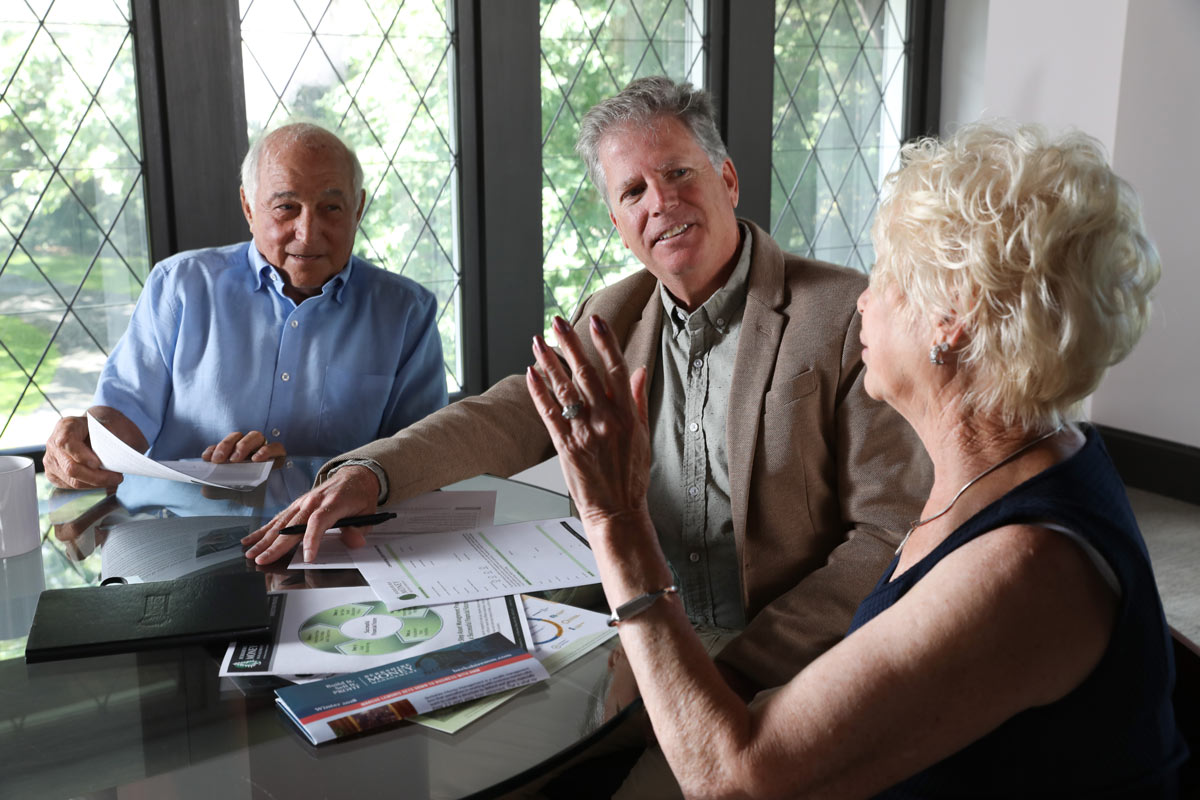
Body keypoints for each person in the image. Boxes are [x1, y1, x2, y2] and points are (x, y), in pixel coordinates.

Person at [525, 120, 1187, 797]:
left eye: (889, 277)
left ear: (950, 318)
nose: (863, 299)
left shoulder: (1028, 570)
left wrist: (616, 517)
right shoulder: (1024, 457)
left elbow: (734, 780)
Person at [244, 77, 930, 693]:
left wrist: (738, 669)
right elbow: (508, 414)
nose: (660, 203)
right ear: (617, 222)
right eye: (633, 191)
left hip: (784, 663)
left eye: (678, 174)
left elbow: (888, 535)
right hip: (624, 638)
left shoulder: (847, 314)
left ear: (727, 180)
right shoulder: (613, 313)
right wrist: (371, 472)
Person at [43, 122, 447, 490]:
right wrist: (84, 438)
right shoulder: (179, 285)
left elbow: (419, 458)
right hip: (179, 530)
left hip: (335, 538)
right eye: (286, 207)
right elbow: (125, 414)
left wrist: (297, 472)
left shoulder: (407, 312)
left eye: (331, 208)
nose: (307, 235)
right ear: (249, 208)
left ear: (357, 210)